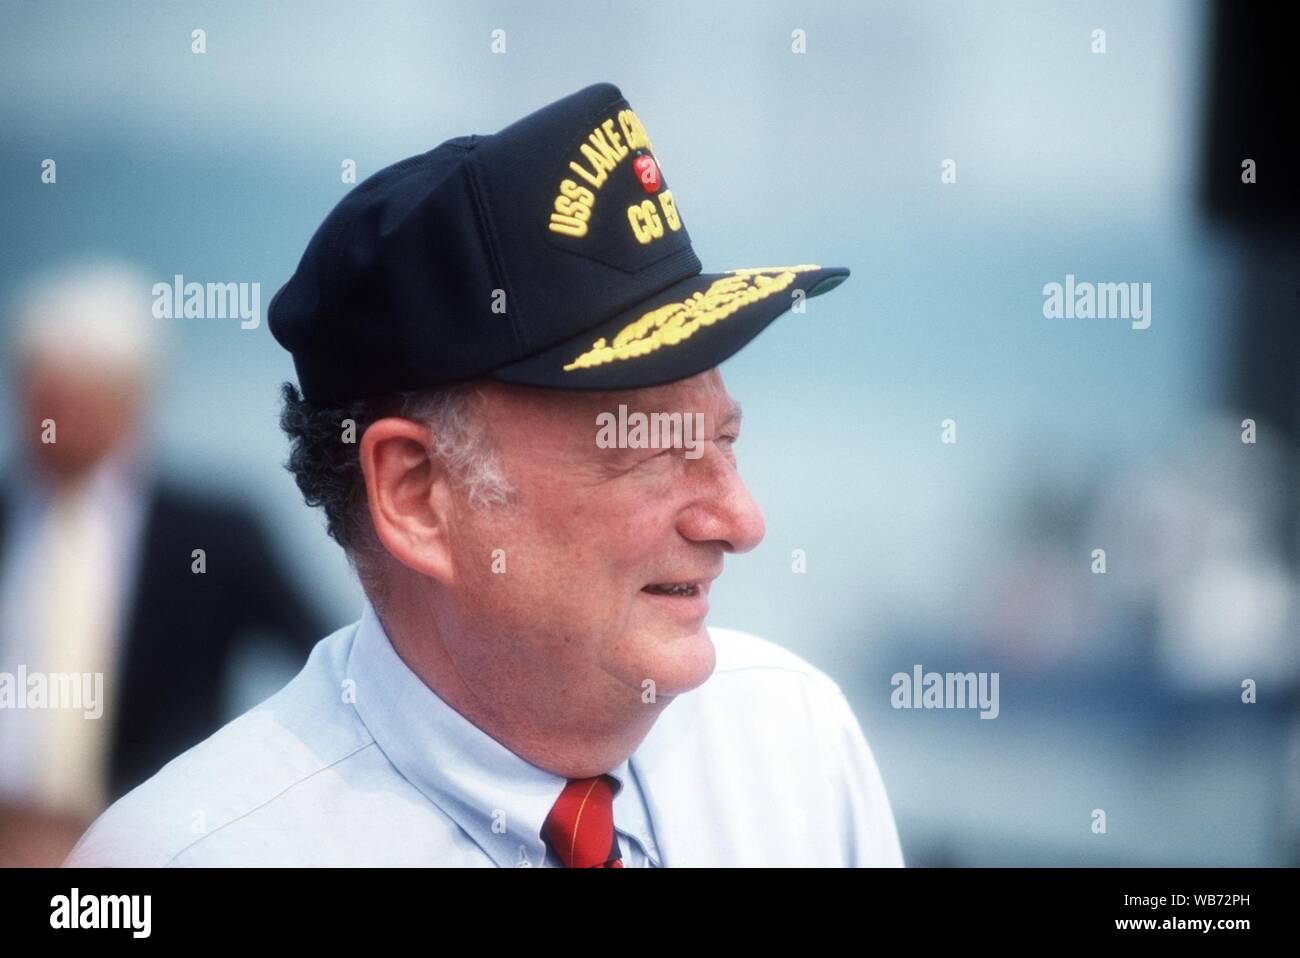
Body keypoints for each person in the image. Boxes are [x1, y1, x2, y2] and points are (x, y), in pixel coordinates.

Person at [64, 82, 904, 867]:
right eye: (650, 446)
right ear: (415, 495)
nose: (740, 519)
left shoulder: (794, 746)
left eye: (725, 441)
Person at [0, 260, 325, 866]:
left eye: (78, 398)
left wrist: (271, 804)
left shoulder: (214, 536)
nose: (50, 421)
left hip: (145, 843)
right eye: (40, 394)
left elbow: (325, 659)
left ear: (131, 403)